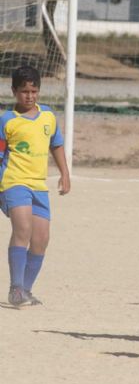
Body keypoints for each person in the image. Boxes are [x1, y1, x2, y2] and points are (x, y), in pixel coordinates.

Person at [0, 65, 71, 307]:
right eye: (24, 91)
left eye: (33, 91)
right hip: (13, 182)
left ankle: (26, 291)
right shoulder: (7, 120)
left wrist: (65, 173)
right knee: (23, 230)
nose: (29, 96)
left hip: (39, 186)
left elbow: (56, 144)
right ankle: (15, 288)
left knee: (41, 238)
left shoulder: (48, 117)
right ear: (14, 91)